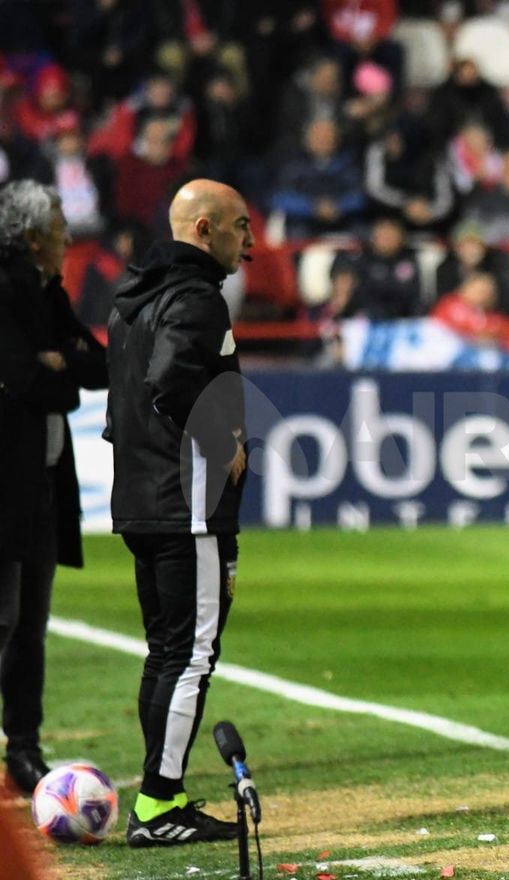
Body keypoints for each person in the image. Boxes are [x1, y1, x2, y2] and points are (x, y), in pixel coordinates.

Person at [105, 178, 252, 847]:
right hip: (186, 504)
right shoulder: (196, 299)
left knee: (165, 653)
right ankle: (159, 804)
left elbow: (121, 406)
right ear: (204, 228)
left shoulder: (134, 298)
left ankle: (159, 795)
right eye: (240, 226)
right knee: (191, 655)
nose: (250, 242)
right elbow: (169, 384)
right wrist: (222, 443)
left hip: (142, 498)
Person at [0, 180, 107, 794]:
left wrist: (60, 365)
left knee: (30, 623)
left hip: (41, 482)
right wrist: (59, 368)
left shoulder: (49, 292)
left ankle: (24, 746)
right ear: (33, 236)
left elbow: (96, 366)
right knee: (4, 618)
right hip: (5, 483)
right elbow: (22, 379)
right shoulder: (5, 289)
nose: (69, 236)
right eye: (61, 225)